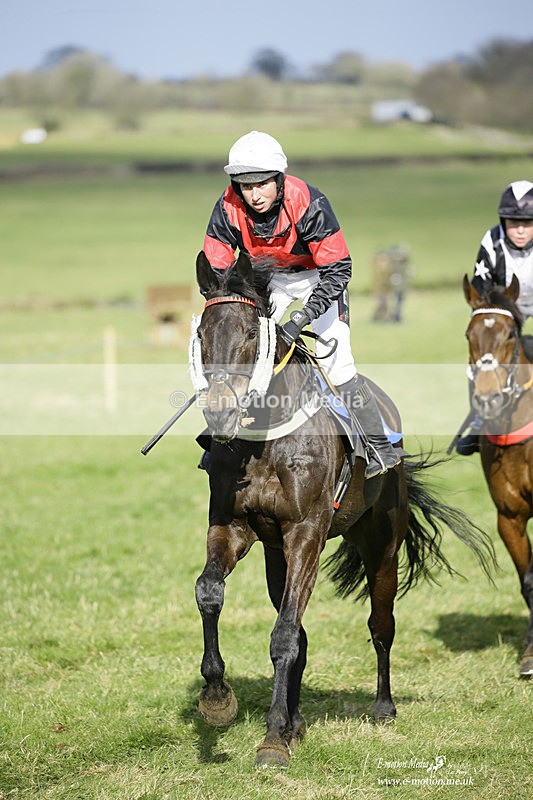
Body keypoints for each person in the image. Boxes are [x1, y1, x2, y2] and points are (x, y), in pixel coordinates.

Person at [199, 130, 402, 478]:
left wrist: (301, 319)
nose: (254, 194)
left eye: (262, 184)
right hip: (270, 282)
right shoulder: (227, 206)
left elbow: (339, 269)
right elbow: (217, 271)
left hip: (320, 279)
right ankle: (222, 437)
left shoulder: (309, 202)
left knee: (338, 366)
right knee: (244, 354)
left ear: (278, 179)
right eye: (245, 186)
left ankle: (379, 447)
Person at [455, 179, 533, 455]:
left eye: (527, 223)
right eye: (513, 223)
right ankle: (478, 422)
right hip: (505, 312)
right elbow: (483, 288)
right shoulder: (492, 241)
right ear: (504, 221)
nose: (520, 230)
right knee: (477, 364)